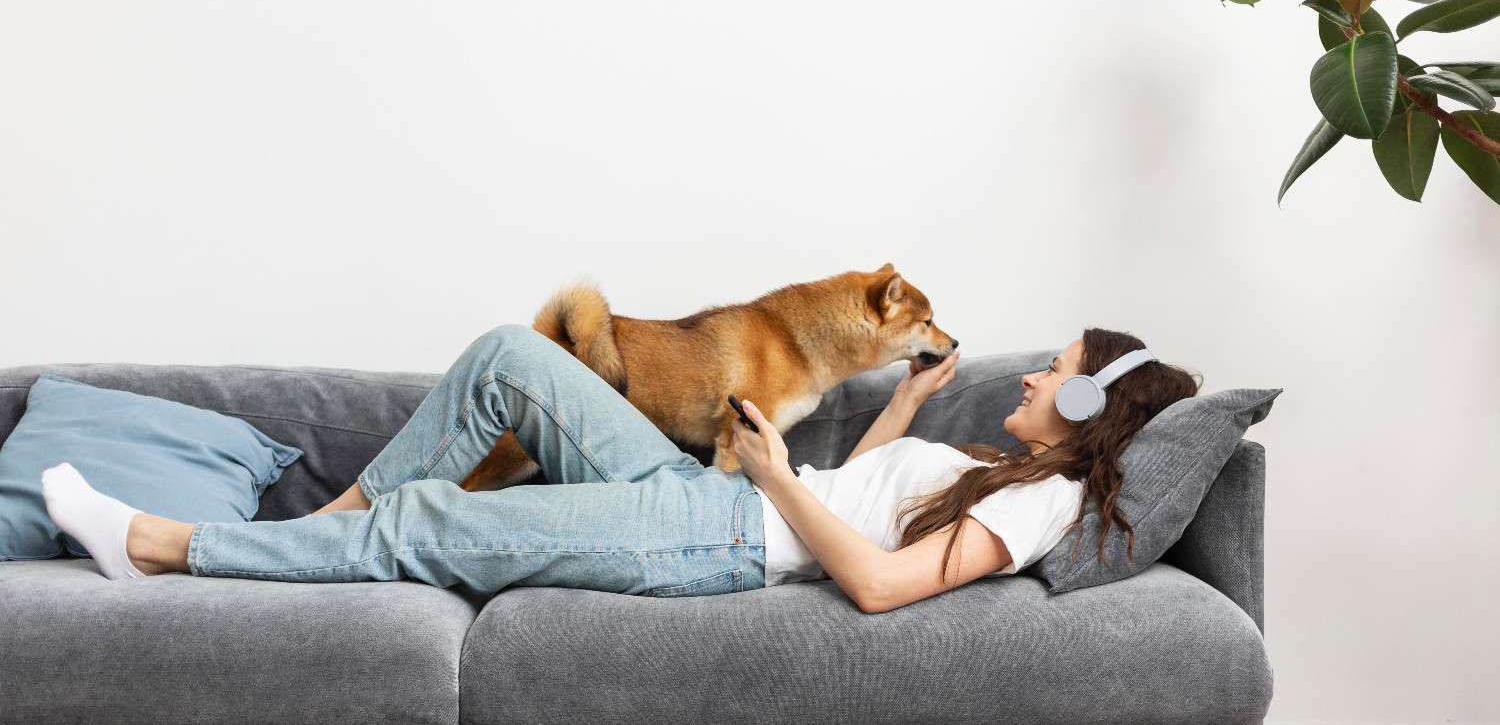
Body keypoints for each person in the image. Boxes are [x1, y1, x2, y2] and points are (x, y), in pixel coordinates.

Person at [40, 323, 1197, 613]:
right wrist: (902, 405)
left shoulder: (1046, 504)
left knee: (434, 520)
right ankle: (324, 523)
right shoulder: (1001, 469)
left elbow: (881, 581)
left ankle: (157, 544)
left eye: (1056, 371)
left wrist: (775, 477)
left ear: (1089, 404)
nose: (1034, 375)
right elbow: (868, 503)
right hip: (724, 499)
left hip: (721, 538)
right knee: (510, 360)